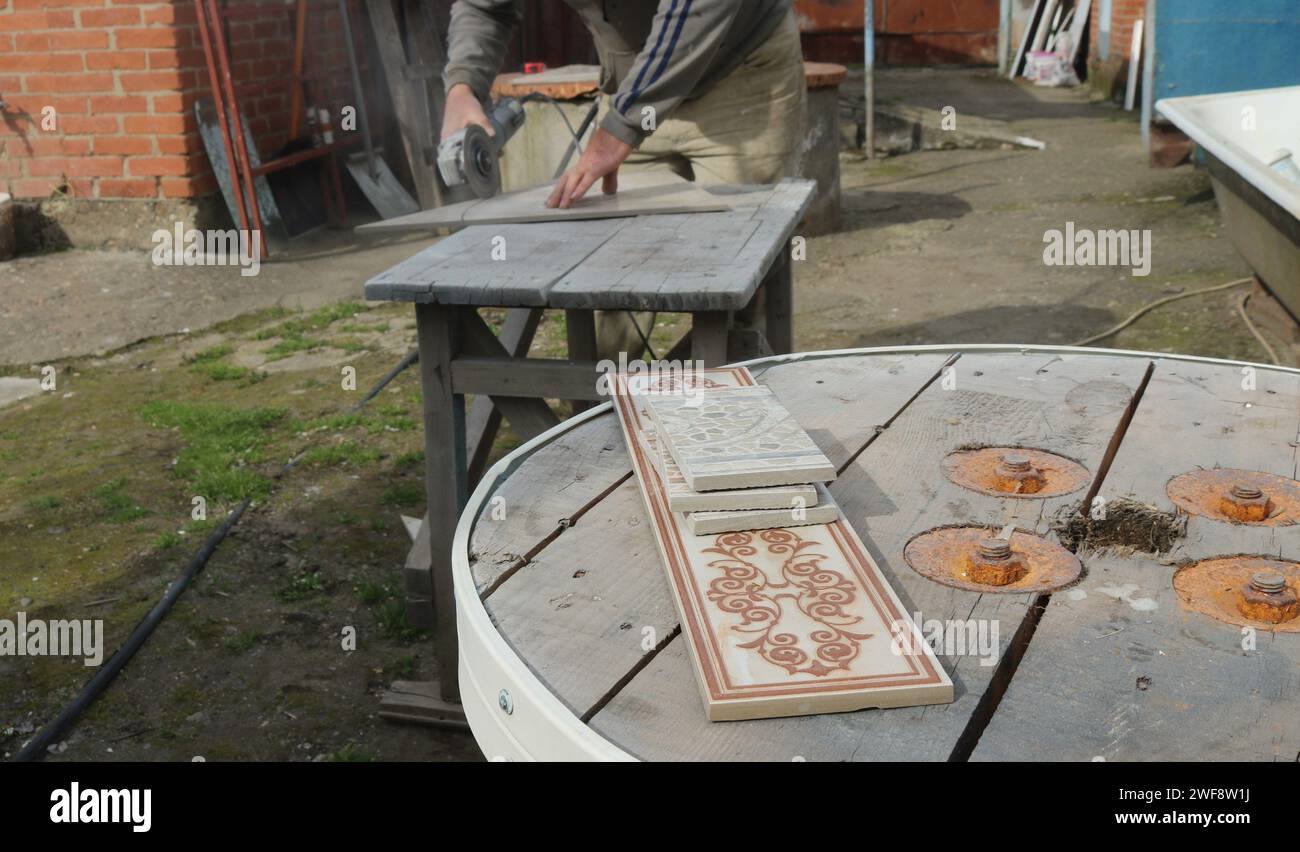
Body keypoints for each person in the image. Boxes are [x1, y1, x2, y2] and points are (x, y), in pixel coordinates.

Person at [441, 0, 807, 354]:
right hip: (634, 80)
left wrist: (621, 128)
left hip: (742, 71)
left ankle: (738, 407)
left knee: (744, 275)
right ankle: (609, 405)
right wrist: (463, 86)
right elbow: (484, 6)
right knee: (616, 274)